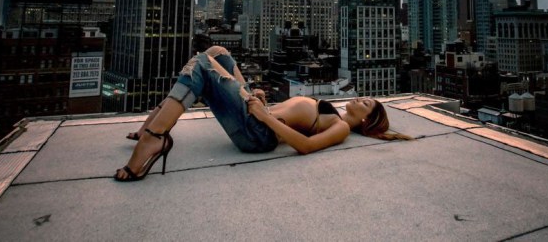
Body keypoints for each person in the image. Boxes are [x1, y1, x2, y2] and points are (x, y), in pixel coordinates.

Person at [114, 46, 410, 182]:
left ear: (365, 121)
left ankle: (153, 137)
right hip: (258, 115)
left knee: (203, 63)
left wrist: (266, 118)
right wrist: (262, 103)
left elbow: (305, 147)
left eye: (367, 103)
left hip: (259, 134)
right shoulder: (331, 110)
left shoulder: (342, 127)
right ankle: (152, 126)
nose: (361, 98)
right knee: (218, 52)